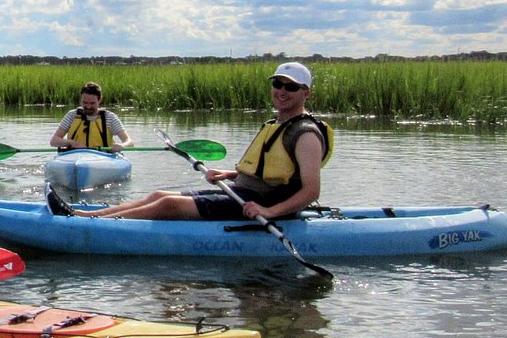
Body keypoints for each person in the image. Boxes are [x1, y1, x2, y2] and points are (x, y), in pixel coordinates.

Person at [51, 63, 332, 221]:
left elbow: (310, 191)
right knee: (159, 195)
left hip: (261, 203)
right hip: (241, 191)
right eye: (278, 84)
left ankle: (91, 223)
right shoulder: (276, 124)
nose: (282, 91)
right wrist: (230, 174)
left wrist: (269, 212)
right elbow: (267, 170)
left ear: (305, 93)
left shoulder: (305, 134)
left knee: (169, 206)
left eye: (291, 87)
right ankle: (82, 213)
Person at [49, 81, 135, 151]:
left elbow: (129, 142)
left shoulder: (110, 118)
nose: (88, 106)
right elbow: (54, 141)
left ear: (100, 100)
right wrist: (72, 143)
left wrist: (122, 146)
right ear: (81, 100)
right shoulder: (71, 115)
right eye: (85, 103)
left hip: (103, 158)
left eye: (92, 103)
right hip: (74, 156)